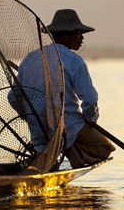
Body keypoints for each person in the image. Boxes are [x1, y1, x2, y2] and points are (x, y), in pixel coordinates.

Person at [46, 9, 115, 168]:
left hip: (40, 126)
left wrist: (31, 117)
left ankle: (68, 149)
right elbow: (90, 100)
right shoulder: (74, 61)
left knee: (67, 135)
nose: (82, 38)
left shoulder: (32, 58)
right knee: (105, 148)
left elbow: (13, 97)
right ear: (64, 35)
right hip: (69, 122)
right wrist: (90, 120)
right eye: (78, 33)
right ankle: (70, 151)